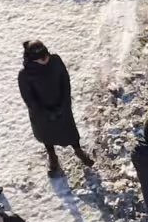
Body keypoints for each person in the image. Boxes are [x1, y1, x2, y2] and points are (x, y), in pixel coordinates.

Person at [18, 40, 93, 177]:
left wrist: (64, 104)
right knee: (47, 135)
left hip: (62, 106)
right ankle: (52, 157)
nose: (46, 59)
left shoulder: (56, 61)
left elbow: (65, 81)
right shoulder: (25, 75)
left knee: (70, 131)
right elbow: (29, 99)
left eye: (46, 55)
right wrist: (46, 113)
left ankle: (78, 150)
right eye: (41, 58)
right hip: (41, 114)